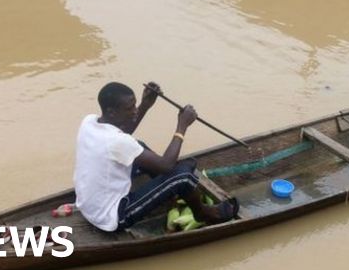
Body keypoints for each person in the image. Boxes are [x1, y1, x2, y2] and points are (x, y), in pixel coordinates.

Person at [74, 81, 238, 232]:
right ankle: (203, 213)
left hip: (88, 206)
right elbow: (165, 165)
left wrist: (145, 105)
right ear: (111, 112)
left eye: (135, 105)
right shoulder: (118, 142)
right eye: (130, 108)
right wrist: (182, 125)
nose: (135, 110)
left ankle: (170, 190)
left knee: (140, 147)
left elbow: (123, 135)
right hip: (111, 217)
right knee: (184, 176)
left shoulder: (89, 122)